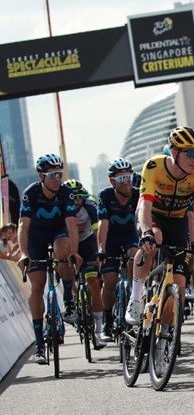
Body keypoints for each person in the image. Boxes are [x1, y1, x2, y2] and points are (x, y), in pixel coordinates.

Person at [125, 127, 194, 326]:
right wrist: (146, 231)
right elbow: (145, 205)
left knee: (180, 285)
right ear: (174, 152)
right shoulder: (154, 166)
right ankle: (136, 298)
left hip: (177, 220)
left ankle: (165, 336)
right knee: (154, 238)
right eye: (190, 153)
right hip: (153, 215)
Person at [17, 153, 82, 364]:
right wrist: (24, 253)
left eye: (59, 174)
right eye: (52, 174)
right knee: (38, 285)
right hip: (36, 237)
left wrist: (74, 251)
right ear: (41, 176)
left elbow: (72, 224)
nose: (57, 178)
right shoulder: (31, 193)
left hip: (58, 232)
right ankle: (39, 344)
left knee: (63, 248)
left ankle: (69, 304)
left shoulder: (65, 192)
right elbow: (22, 226)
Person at [95, 158, 139, 342]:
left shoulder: (138, 194)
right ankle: (107, 319)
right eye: (121, 179)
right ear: (112, 181)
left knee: (134, 258)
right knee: (110, 281)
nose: (127, 182)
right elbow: (102, 224)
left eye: (128, 177)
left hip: (130, 236)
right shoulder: (105, 196)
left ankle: (133, 297)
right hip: (111, 238)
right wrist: (100, 249)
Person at [64, 179, 107, 350]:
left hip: (88, 243)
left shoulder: (89, 207)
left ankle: (98, 330)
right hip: (69, 243)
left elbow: (97, 232)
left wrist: (99, 251)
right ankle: (74, 299)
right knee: (67, 273)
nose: (76, 203)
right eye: (72, 199)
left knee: (94, 284)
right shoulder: (62, 208)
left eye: (78, 199)